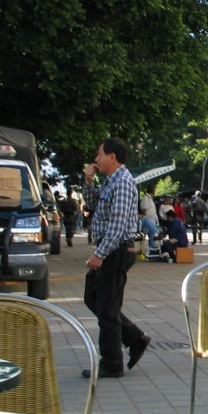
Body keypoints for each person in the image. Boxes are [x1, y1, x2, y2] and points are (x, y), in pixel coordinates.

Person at [81, 138, 151, 379]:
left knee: (107, 309)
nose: (96, 159)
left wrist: (100, 255)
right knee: (93, 298)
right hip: (109, 249)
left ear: (112, 157)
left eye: (99, 154)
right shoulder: (111, 182)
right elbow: (92, 205)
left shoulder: (123, 183)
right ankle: (134, 338)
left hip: (115, 250)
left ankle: (112, 363)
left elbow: (118, 225)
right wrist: (88, 181)